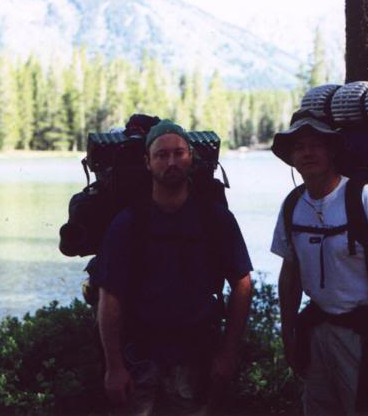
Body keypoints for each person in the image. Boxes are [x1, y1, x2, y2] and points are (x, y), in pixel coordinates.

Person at [94, 119, 253, 415]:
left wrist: (229, 352)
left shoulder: (215, 219)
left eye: (178, 153)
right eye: (161, 155)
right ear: (147, 162)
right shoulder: (128, 223)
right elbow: (110, 297)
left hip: (196, 357)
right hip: (138, 358)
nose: (171, 161)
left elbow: (243, 285)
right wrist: (114, 366)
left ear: (190, 157)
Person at [269, 109, 368, 416]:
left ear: (332, 150)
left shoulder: (367, 199)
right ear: (291, 156)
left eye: (315, 144)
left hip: (366, 334)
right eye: (299, 147)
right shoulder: (292, 206)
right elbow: (289, 276)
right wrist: (288, 334)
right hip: (317, 333)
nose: (307, 153)